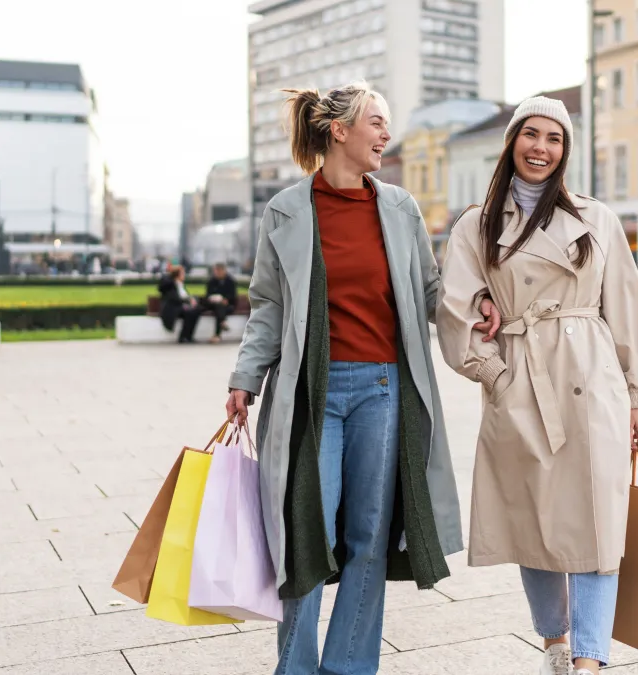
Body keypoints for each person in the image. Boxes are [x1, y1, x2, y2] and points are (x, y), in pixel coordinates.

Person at [224, 82, 501, 675]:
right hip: (311, 396)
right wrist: (245, 377)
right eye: (376, 123)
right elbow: (268, 306)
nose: (385, 135)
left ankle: (347, 667)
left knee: (369, 537)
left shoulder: (399, 208)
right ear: (339, 131)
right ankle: (295, 668)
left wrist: (476, 304)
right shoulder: (287, 210)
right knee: (306, 532)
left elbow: (430, 292)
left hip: (382, 390)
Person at [437, 96, 638, 675]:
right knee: (533, 518)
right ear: (511, 142)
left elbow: (627, 305)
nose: (541, 148)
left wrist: (636, 396)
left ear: (566, 150)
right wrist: (494, 374)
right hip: (520, 379)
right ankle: (555, 643)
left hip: (591, 375)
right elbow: (455, 309)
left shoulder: (596, 217)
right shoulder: (477, 224)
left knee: (597, 519)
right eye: (530, 135)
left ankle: (590, 658)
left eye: (554, 139)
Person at [157, 266, 203, 343]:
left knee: (196, 311)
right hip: (173, 308)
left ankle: (189, 336)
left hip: (181, 306)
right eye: (182, 273)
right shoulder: (170, 285)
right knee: (189, 312)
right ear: (177, 275)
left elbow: (184, 296)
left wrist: (191, 299)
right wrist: (188, 300)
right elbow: (175, 298)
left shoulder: (181, 284)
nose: (184, 275)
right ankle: (183, 337)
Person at [202, 262, 239, 344]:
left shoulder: (230, 281)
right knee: (219, 307)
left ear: (223, 271)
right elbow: (208, 294)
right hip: (213, 304)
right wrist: (214, 298)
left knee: (220, 309)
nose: (217, 273)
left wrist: (226, 299)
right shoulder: (212, 281)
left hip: (228, 305)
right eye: (216, 271)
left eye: (218, 271)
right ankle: (222, 323)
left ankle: (217, 335)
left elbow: (233, 295)